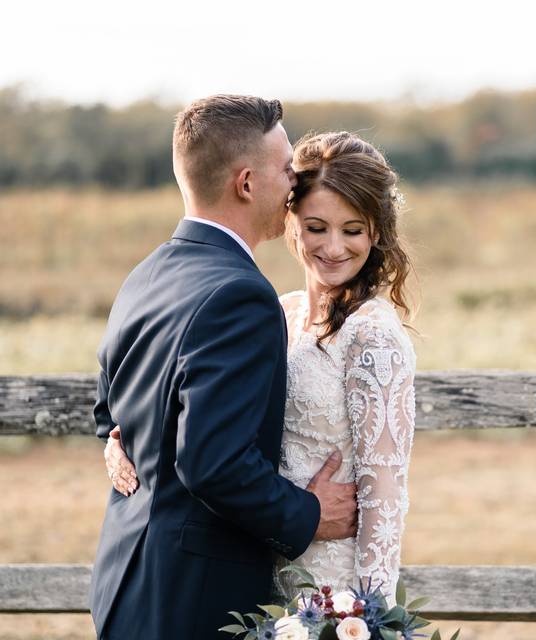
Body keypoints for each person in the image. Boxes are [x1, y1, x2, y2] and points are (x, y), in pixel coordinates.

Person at [104, 130, 417, 609]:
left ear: (376, 233)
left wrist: (368, 615)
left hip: (330, 581)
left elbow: (385, 500)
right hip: (256, 566)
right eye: (317, 227)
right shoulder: (278, 312)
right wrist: (119, 436)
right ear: (291, 220)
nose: (333, 248)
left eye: (352, 230)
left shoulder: (372, 335)